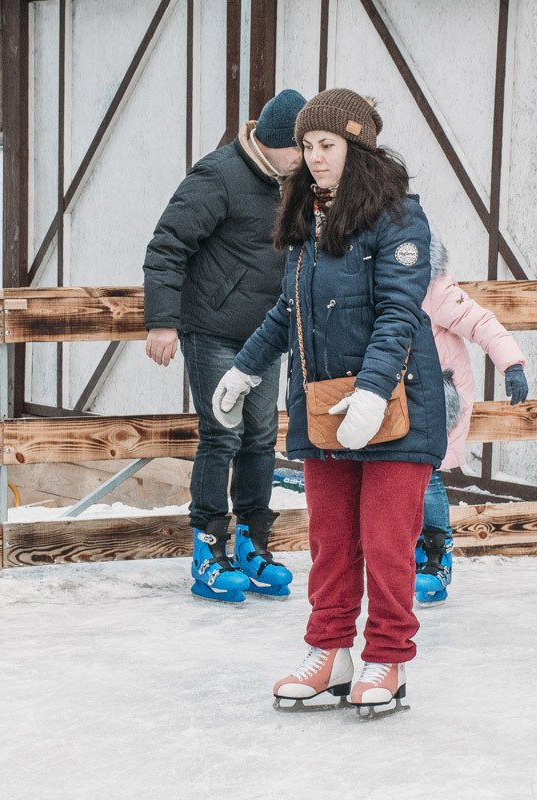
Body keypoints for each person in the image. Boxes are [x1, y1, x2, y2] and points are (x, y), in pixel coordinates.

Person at [211, 89, 446, 716]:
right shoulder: (307, 220)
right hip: (323, 408)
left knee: (386, 542)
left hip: (396, 406)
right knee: (331, 543)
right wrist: (245, 370)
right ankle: (330, 653)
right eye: (308, 147)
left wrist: (372, 390)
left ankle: (388, 658)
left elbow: (399, 313)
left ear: (357, 148)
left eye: (328, 146)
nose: (315, 158)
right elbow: (289, 311)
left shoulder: (399, 218)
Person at [143, 89, 307, 602]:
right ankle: (208, 550)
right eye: (297, 148)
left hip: (265, 335)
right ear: (271, 142)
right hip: (213, 330)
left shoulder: (296, 183)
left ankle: (253, 544)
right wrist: (162, 322)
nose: (306, 158)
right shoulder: (220, 175)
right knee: (222, 435)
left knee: (261, 438)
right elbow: (167, 246)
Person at [414, 238, 529, 606]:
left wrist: (511, 365)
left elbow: (481, 323)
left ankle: (435, 555)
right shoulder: (376, 279)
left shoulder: (434, 288)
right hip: (390, 393)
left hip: (435, 393)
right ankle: (405, 551)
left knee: (426, 473)